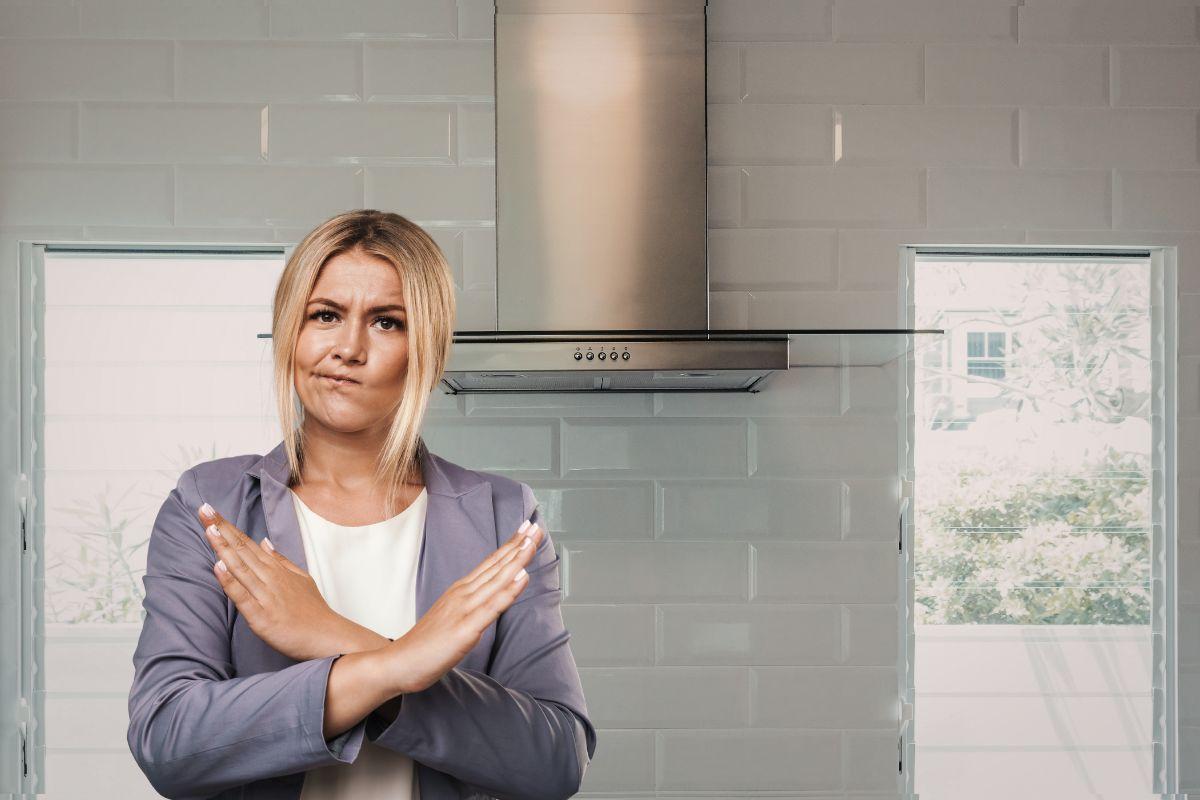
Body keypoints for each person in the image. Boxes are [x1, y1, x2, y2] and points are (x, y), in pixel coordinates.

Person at [126, 209, 596, 800]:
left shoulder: (504, 515)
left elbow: (555, 761)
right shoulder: (209, 505)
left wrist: (326, 632)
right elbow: (168, 741)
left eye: (386, 323)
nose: (347, 348)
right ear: (290, 331)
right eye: (325, 315)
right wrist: (395, 665)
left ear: (427, 349)